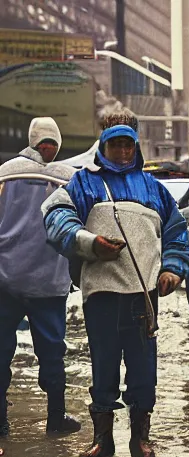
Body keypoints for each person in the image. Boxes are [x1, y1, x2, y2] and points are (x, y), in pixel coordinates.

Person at [42, 123, 189, 457]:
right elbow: (55, 216)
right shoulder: (83, 182)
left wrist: (172, 268)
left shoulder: (154, 188)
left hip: (144, 296)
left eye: (128, 146)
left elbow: (176, 231)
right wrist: (89, 243)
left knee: (143, 371)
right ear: (103, 148)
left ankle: (140, 439)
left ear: (135, 149)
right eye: (115, 146)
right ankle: (102, 440)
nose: (122, 153)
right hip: (102, 296)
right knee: (103, 367)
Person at [0, 117, 81, 438]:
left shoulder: (4, 172)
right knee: (52, 352)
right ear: (56, 145)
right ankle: (55, 419)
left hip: (5, 279)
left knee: (1, 351)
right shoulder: (67, 177)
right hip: (48, 283)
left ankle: (1, 424)